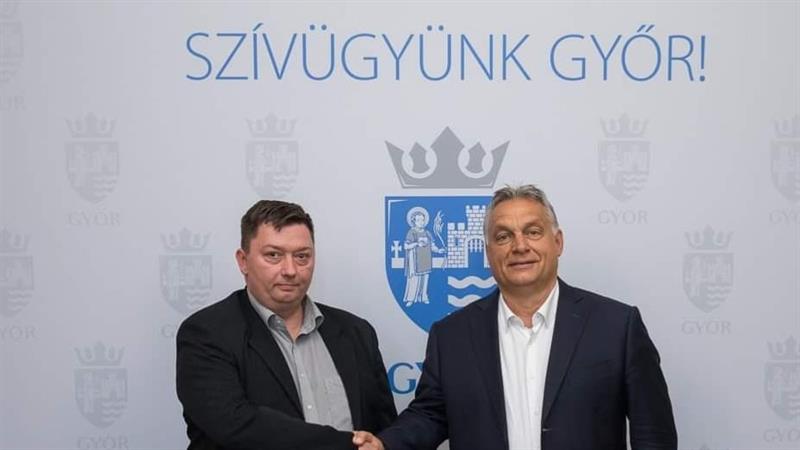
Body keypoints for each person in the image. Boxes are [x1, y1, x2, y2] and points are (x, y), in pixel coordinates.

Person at [354, 184, 677, 450]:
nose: (519, 246)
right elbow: (430, 416)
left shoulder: (617, 326)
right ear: (489, 252)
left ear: (558, 242)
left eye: (533, 232)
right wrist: (385, 444)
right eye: (503, 236)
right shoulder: (451, 336)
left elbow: (653, 435)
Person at [177, 200, 397, 450]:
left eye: (302, 256)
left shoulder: (356, 332)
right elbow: (236, 424)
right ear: (243, 261)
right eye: (274, 255)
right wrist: (349, 445)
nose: (290, 270)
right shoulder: (207, 333)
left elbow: (384, 429)